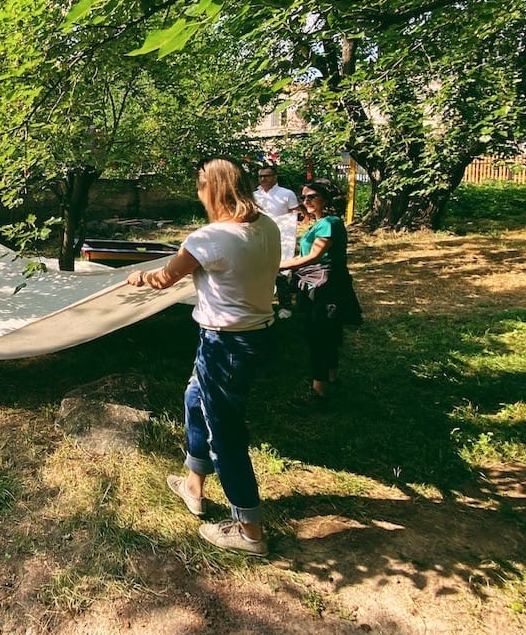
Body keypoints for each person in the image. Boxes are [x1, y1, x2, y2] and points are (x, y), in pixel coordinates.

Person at [126, 158, 280, 556]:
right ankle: (193, 485)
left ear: (214, 189)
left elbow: (163, 278)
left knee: (225, 434)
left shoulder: (210, 238)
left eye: (200, 186)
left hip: (225, 345)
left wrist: (138, 277)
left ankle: (250, 530)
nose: (198, 194)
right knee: (195, 398)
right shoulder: (266, 227)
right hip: (258, 336)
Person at [279, 179, 362, 408]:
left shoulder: (329, 222)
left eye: (311, 196)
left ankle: (319, 392)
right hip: (319, 281)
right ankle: (331, 377)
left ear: (327, 198)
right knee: (328, 331)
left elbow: (315, 256)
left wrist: (282, 265)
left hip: (326, 284)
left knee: (319, 334)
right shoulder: (321, 223)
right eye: (303, 197)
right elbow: (307, 256)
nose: (306, 201)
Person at [253, 165, 300, 318]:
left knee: (280, 269)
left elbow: (294, 214)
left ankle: (285, 305)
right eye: (260, 176)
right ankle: (260, 303)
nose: (263, 179)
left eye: (266, 176)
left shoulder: (287, 194)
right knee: (258, 270)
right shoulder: (254, 195)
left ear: (275, 177)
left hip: (281, 237)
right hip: (258, 236)